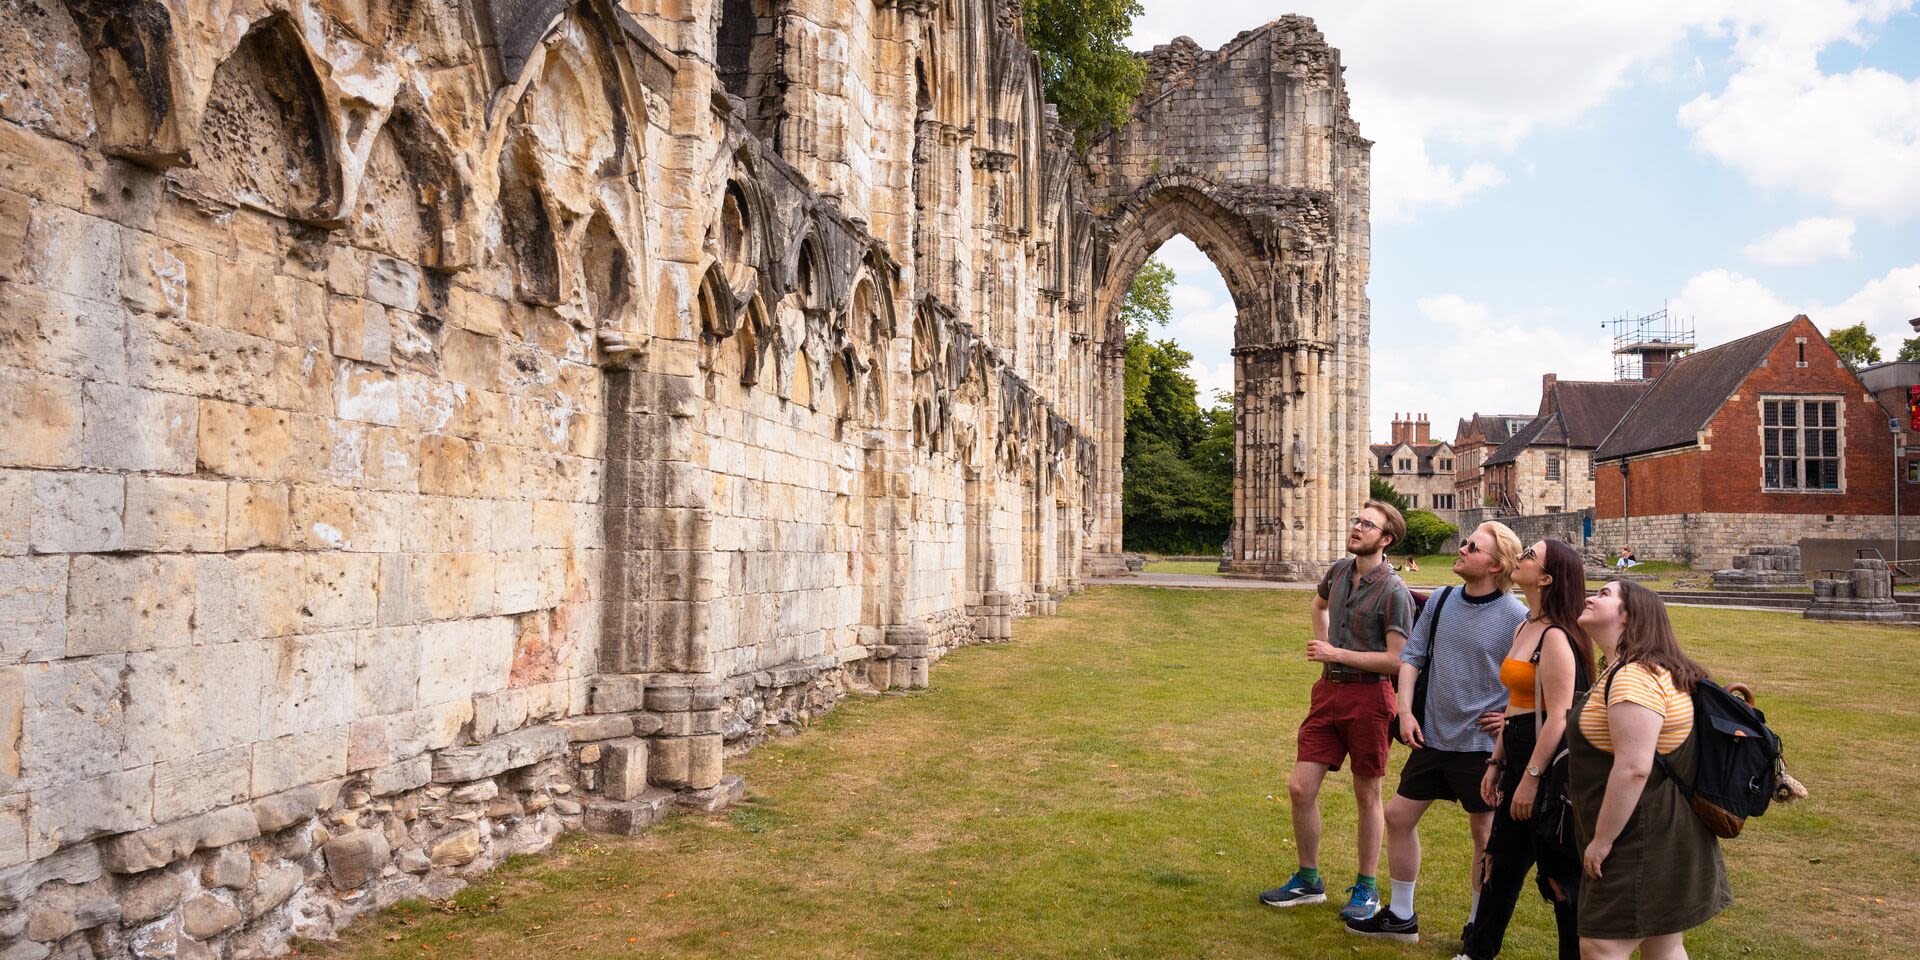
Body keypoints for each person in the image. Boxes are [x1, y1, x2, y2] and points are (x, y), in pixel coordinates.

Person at [1347, 521, 1525, 945]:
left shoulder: (1516, 616)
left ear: (1496, 565)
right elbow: (1411, 657)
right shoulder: (1443, 599)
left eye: (1473, 547)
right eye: (1465, 543)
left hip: (1481, 747)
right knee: (1398, 816)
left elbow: (1532, 679)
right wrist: (1406, 711)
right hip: (1433, 737)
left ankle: (1477, 926)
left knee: (1484, 833)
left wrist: (1510, 717)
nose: (1462, 549)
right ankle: (1401, 917)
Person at [1260, 501, 1417, 923]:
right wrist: (1325, 647)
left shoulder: (1395, 591)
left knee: (1367, 793)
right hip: (1328, 692)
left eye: (1368, 525)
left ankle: (1366, 887)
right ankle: (1308, 880)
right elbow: (1319, 605)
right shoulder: (1339, 571)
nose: (1357, 528)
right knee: (1299, 787)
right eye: (1356, 521)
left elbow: (1397, 660)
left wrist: (1337, 653)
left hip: (1370, 697)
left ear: (1386, 539)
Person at [1569, 580, 1730, 960]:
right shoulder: (1632, 670)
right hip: (1661, 829)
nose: (1590, 597)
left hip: (1638, 836)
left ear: (1629, 616)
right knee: (1662, 943)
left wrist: (1602, 840)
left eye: (1604, 594)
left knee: (1601, 945)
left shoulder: (1634, 677)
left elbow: (1633, 768)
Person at [1457, 539, 1594, 960]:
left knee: (1559, 878)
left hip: (1547, 769)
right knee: (1499, 865)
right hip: (1517, 757)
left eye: (1529, 555)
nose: (1519, 558)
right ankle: (1477, 952)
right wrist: (1497, 762)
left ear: (1547, 578)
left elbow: (1558, 717)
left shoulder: (1556, 637)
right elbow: (1516, 705)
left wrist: (1531, 779)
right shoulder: (1525, 627)